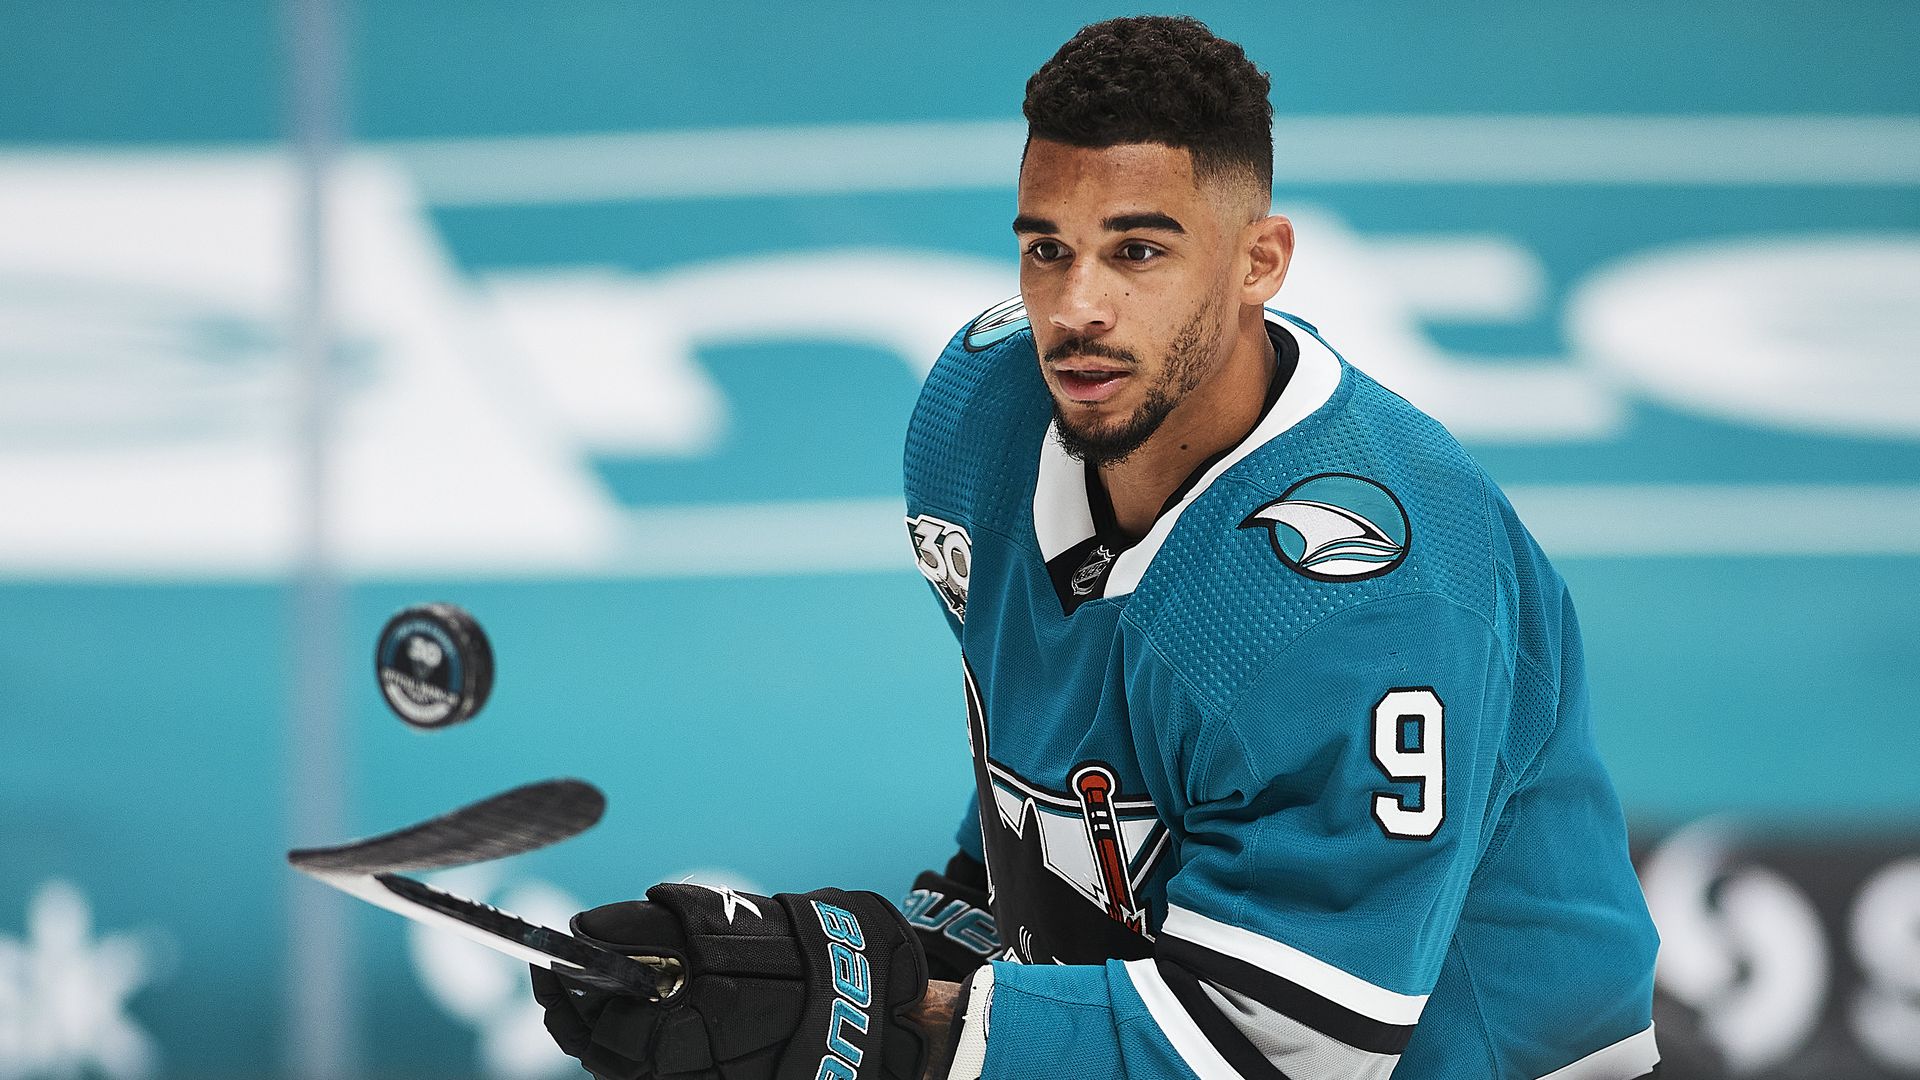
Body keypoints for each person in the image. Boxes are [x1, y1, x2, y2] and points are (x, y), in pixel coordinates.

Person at [532, 15, 1661, 1080]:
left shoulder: (1364, 594)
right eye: (1047, 249)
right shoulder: (976, 421)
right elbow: (1056, 817)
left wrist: (895, 1034)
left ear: (1260, 260)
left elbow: (1279, 1050)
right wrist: (838, 972)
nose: (1077, 310)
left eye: (1137, 252)